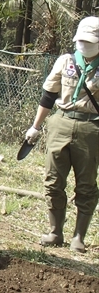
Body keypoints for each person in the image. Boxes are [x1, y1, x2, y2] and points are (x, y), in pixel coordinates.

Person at [25, 16, 99, 253]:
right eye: (82, 40)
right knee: (53, 181)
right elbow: (48, 95)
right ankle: (55, 231)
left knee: (86, 184)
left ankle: (79, 236)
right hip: (61, 123)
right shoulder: (66, 61)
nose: (85, 45)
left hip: (91, 128)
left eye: (91, 41)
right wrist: (36, 127)